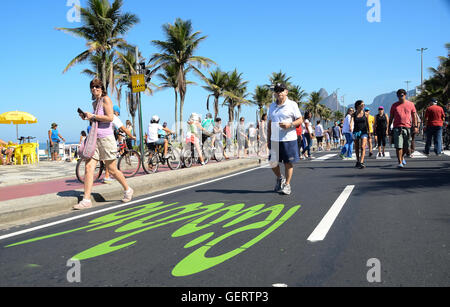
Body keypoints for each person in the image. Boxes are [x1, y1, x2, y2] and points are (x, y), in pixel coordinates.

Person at [74, 79, 133, 210]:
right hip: (95, 139)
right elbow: (97, 120)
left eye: (97, 87)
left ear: (102, 88)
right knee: (89, 167)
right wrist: (87, 117)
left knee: (112, 169)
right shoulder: (95, 103)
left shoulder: (106, 99)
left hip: (106, 139)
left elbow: (110, 118)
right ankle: (86, 200)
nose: (94, 89)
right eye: (92, 87)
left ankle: (128, 189)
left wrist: (93, 116)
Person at [268, 83, 303, 195]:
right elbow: (269, 123)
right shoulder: (272, 106)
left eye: (281, 90)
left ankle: (287, 185)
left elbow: (300, 120)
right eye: (277, 91)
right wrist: (268, 139)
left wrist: (290, 124)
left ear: (286, 92)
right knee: (272, 162)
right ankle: (280, 178)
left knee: (288, 163)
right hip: (275, 139)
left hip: (289, 139)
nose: (279, 93)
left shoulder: (292, 104)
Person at [102, 106, 137, 184]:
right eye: (118, 113)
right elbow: (124, 129)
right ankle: (107, 177)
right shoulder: (114, 117)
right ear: (116, 112)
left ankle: (105, 169)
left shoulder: (104, 114)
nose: (118, 115)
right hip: (108, 139)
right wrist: (132, 136)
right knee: (110, 158)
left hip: (100, 137)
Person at [389, 89, 419, 169]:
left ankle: (402, 157)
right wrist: (389, 127)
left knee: (406, 147)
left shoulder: (411, 104)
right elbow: (391, 117)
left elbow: (414, 116)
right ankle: (400, 162)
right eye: (398, 96)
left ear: (405, 95)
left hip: (408, 128)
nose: (400, 97)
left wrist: (415, 126)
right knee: (399, 146)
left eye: (401, 95)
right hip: (397, 128)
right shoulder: (394, 105)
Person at [351, 101, 370, 169]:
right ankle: (357, 161)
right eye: (362, 105)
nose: (363, 106)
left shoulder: (366, 114)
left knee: (362, 147)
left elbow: (367, 123)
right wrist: (350, 126)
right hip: (356, 131)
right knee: (356, 147)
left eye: (364, 104)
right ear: (358, 106)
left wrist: (369, 133)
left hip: (364, 132)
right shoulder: (354, 114)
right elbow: (351, 122)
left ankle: (361, 162)